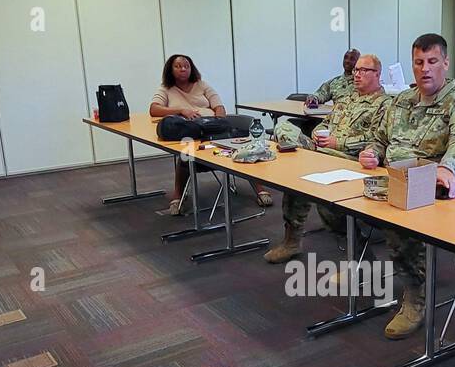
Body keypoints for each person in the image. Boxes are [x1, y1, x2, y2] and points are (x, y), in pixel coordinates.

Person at [358, 33, 455, 338]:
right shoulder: (401, 101)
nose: (425, 69)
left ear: (445, 63)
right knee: (333, 203)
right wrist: (371, 152)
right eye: (418, 62)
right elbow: (380, 138)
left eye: (432, 61)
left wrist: (446, 169)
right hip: (391, 181)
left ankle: (415, 297)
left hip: (432, 190)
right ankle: (363, 266)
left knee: (401, 225)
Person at [264, 53, 390, 263]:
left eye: (362, 71)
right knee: (284, 131)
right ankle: (291, 241)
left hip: (347, 159)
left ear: (377, 74)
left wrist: (337, 143)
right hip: (321, 151)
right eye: (355, 70)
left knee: (322, 198)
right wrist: (318, 132)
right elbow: (327, 122)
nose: (356, 75)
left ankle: (361, 259)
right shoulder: (347, 99)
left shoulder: (385, 104)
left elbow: (377, 139)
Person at [149, 53, 270, 214]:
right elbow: (154, 109)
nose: (183, 69)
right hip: (189, 132)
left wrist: (218, 119)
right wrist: (181, 110)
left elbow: (219, 107)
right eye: (178, 66)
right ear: (170, 70)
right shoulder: (166, 89)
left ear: (191, 69)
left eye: (186, 66)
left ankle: (260, 188)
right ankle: (178, 196)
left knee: (243, 148)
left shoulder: (202, 85)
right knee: (186, 154)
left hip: (212, 128)